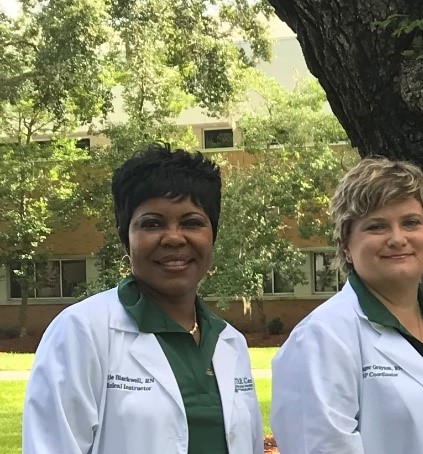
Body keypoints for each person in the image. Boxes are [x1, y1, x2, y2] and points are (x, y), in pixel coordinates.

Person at [22, 145, 263, 453]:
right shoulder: (82, 332)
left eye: (192, 222)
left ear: (212, 235)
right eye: (152, 223)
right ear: (127, 237)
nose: (174, 237)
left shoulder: (230, 342)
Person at [271, 157, 423, 453]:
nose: (398, 239)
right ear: (346, 245)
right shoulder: (322, 337)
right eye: (376, 226)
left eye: (410, 222)